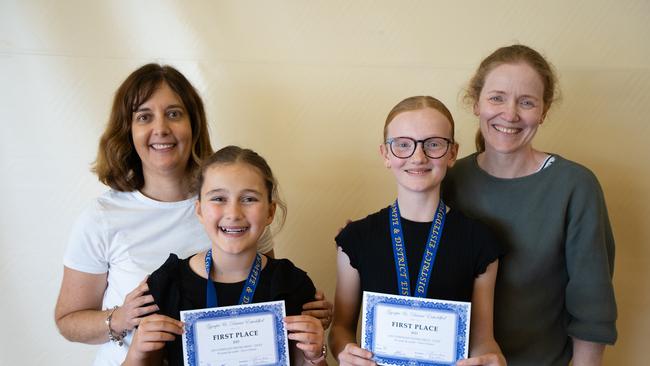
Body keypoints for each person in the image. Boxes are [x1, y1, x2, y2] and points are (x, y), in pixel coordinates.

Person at [54, 64, 331, 366]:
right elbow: (68, 320)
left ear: (194, 125)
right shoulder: (102, 217)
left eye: (174, 114)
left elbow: (263, 291)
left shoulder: (232, 207)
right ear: (128, 130)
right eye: (144, 116)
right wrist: (120, 319)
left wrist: (306, 318)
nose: (161, 129)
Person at [442, 44, 617, 366]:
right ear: (476, 102)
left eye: (526, 102)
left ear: (544, 111)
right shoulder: (448, 180)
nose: (510, 114)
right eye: (497, 97)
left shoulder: (575, 187)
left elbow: (593, 310)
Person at [329, 96, 506, 366]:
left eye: (433, 144)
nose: (418, 156)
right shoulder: (355, 239)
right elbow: (340, 328)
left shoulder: (480, 241)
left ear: (452, 153)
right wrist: (345, 350)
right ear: (386, 154)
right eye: (403, 145)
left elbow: (483, 338)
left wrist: (490, 358)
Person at [123, 145, 327, 366]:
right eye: (219, 198)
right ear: (200, 210)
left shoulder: (292, 284)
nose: (233, 213)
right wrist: (137, 352)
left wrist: (315, 358)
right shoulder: (167, 285)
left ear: (270, 212)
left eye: (249, 199)